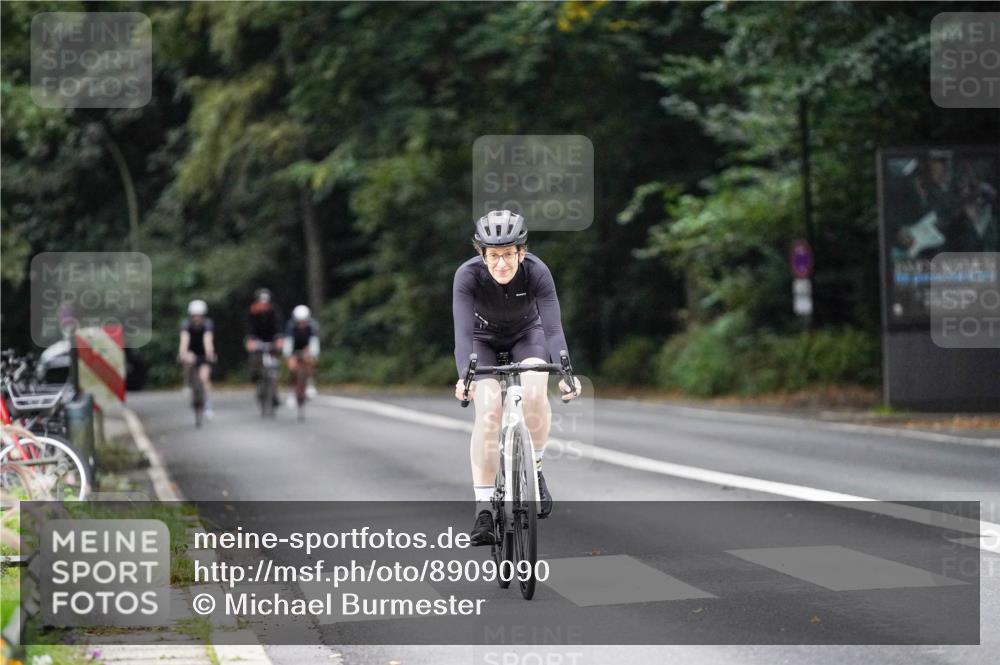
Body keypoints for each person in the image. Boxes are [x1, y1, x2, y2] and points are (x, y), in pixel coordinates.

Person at [452, 210, 581, 546]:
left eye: (509, 254)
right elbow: (462, 335)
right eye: (493, 255)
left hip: (527, 335)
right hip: (481, 340)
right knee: (489, 411)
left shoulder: (537, 271)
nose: (501, 264)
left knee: (535, 392)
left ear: (522, 252)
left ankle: (534, 470)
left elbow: (553, 328)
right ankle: (484, 508)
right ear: (482, 254)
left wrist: (566, 372)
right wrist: (465, 376)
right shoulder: (467, 276)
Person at [178, 299, 216, 418]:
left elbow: (207, 339)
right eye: (195, 315)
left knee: (204, 378)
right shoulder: (186, 324)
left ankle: (208, 405)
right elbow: (184, 340)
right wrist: (183, 353)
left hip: (203, 353)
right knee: (187, 361)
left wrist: (210, 353)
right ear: (191, 315)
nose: (197, 318)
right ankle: (187, 384)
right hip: (191, 352)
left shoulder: (207, 324)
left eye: (199, 315)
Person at [246, 288, 284, 406]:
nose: (263, 306)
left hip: (271, 340)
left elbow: (278, 326)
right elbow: (249, 327)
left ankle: (274, 393)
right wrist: (250, 339)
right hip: (257, 340)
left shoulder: (274, 311)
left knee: (274, 368)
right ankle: (256, 378)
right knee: (255, 360)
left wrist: (279, 338)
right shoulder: (252, 312)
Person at [283, 305, 320, 407]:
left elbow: (314, 342)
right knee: (292, 367)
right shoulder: (290, 326)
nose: (302, 324)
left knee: (310, 361)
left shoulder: (313, 326)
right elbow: (288, 343)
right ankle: (291, 393)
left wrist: (313, 354)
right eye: (299, 322)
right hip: (294, 347)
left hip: (306, 347)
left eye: (304, 321)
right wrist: (288, 355)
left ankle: (310, 384)